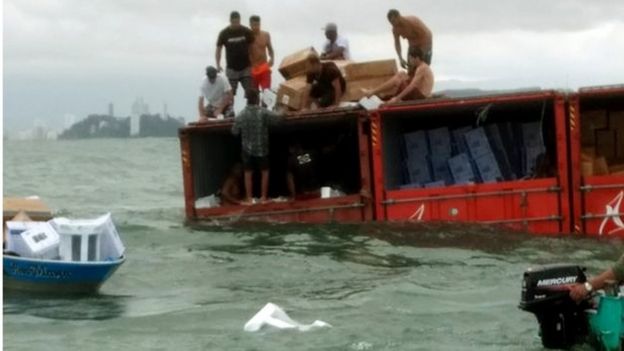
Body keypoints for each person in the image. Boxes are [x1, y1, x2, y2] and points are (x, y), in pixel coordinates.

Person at [231, 89, 283, 204]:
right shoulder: (263, 112)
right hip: (261, 149)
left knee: (248, 173)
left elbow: (234, 131)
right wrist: (281, 108)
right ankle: (264, 197)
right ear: (257, 99)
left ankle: (249, 198)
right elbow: (278, 119)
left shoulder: (241, 114)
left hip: (246, 150)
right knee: (265, 172)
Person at [365, 46, 434, 103]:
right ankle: (376, 93)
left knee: (399, 80)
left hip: (421, 97)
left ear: (417, 58)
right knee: (401, 74)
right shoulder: (422, 67)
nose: (410, 61)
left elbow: (412, 86)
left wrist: (397, 98)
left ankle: (375, 93)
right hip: (419, 94)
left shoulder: (422, 68)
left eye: (411, 59)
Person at [216, 11, 255, 97]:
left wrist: (253, 62)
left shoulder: (246, 31)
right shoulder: (224, 33)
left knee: (250, 92)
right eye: (233, 22)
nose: (235, 24)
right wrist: (218, 65)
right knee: (230, 93)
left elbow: (252, 47)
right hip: (231, 68)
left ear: (240, 20)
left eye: (237, 22)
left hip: (246, 67)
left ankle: (251, 109)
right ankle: (230, 110)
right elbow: (219, 49)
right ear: (230, 21)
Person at [249, 15, 275, 92]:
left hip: (264, 67)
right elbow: (246, 53)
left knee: (267, 92)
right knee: (254, 94)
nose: (256, 27)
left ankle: (265, 103)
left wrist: (272, 59)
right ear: (250, 25)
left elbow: (270, 49)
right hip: (253, 69)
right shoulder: (247, 36)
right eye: (254, 25)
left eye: (258, 25)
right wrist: (252, 63)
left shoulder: (266, 35)